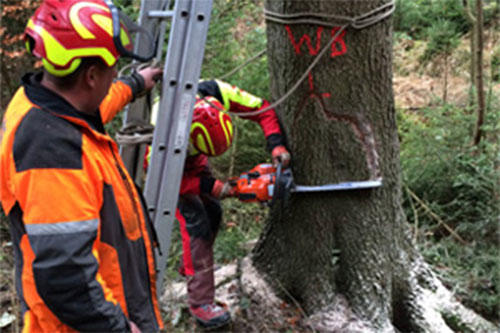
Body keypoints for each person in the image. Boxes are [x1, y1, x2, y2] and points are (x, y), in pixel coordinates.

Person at [0, 1, 164, 332]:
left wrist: (134, 86)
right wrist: (117, 327)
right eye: (112, 70)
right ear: (90, 76)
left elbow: (96, 107)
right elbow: (66, 274)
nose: (114, 76)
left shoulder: (46, 105)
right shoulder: (51, 152)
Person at [149, 79, 290, 328]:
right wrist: (211, 187)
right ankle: (200, 302)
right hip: (170, 169)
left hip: (195, 159)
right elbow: (161, 178)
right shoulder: (160, 127)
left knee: (213, 211)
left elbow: (264, 109)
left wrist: (276, 144)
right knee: (197, 226)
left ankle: (190, 268)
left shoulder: (218, 92)